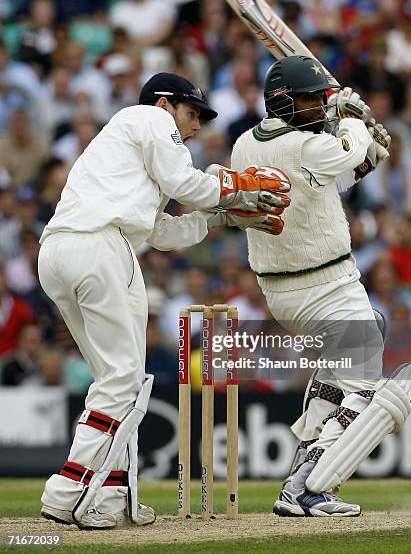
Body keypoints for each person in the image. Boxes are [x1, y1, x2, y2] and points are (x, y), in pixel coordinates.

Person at [37, 71, 291, 530]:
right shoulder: (147, 119)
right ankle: (67, 491)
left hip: (59, 252)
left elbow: (160, 232)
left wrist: (221, 218)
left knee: (115, 380)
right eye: (192, 114)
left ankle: (112, 495)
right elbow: (186, 183)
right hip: (99, 248)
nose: (196, 127)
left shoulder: (127, 154)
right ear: (164, 105)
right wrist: (236, 187)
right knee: (125, 378)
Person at [231, 55, 411, 517]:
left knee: (340, 377)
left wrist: (362, 158)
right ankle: (309, 488)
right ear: (283, 102)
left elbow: (320, 184)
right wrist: (354, 120)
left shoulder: (245, 145)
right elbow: (338, 153)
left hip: (285, 291)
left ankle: (301, 476)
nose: (319, 107)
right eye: (311, 99)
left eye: (321, 99)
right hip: (326, 285)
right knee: (367, 388)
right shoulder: (303, 146)